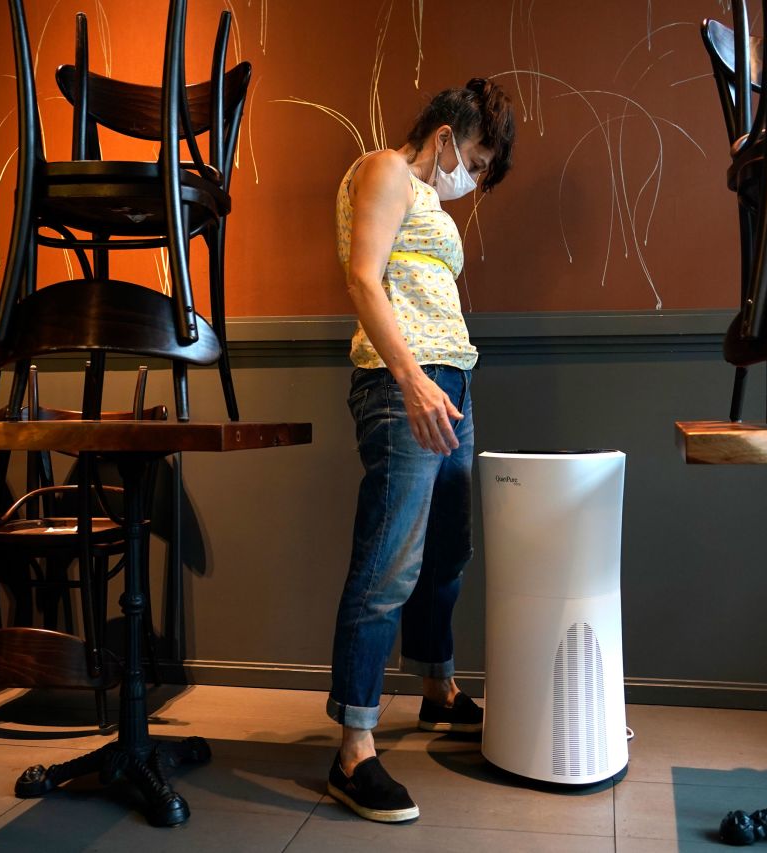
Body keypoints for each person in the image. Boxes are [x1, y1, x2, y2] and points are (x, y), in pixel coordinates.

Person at [326, 78, 515, 823]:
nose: (471, 174)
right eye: (472, 157)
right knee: (389, 563)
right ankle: (352, 748)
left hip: (452, 384)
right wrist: (411, 380)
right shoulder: (384, 169)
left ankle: (436, 688)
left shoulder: (428, 199)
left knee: (446, 553)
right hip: (405, 384)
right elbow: (363, 279)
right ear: (444, 136)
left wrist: (445, 384)